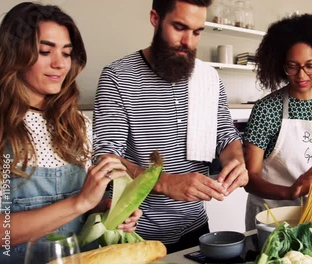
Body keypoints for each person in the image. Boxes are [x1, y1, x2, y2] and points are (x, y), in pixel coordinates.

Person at [93, 0, 248, 253]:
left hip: (196, 228)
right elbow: (105, 158)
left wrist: (236, 162)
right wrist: (164, 182)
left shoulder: (208, 78)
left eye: (197, 32)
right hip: (134, 231)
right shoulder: (117, 76)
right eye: (179, 27)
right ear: (155, 18)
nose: (188, 41)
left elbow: (225, 135)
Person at [0, 3, 140, 263]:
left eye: (67, 53)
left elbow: (78, 207)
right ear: (15, 54)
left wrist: (106, 211)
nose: (59, 64)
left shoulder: (77, 124)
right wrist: (81, 203)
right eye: (44, 51)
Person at [243, 14, 312, 230]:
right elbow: (250, 179)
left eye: (310, 65)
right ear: (281, 65)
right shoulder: (266, 109)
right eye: (292, 66)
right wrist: (291, 191)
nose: (301, 75)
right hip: (273, 217)